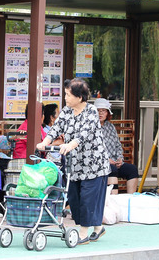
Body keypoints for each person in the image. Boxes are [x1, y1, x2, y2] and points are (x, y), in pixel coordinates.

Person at [36, 78, 109, 245]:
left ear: (80, 97)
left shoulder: (91, 111)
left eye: (68, 95)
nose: (65, 98)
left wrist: (70, 144)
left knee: (88, 198)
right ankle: (98, 228)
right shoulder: (66, 111)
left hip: (94, 164)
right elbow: (56, 129)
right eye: (65, 94)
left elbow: (84, 133)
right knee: (74, 198)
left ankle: (83, 232)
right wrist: (44, 143)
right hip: (74, 163)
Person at [95, 98, 139, 194]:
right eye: (98, 111)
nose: (100, 113)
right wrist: (106, 160)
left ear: (107, 113)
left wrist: (120, 159)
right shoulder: (91, 127)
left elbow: (118, 146)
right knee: (112, 169)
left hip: (114, 162)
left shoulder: (110, 127)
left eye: (103, 111)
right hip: (99, 164)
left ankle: (129, 200)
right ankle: (112, 201)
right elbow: (93, 150)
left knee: (132, 169)